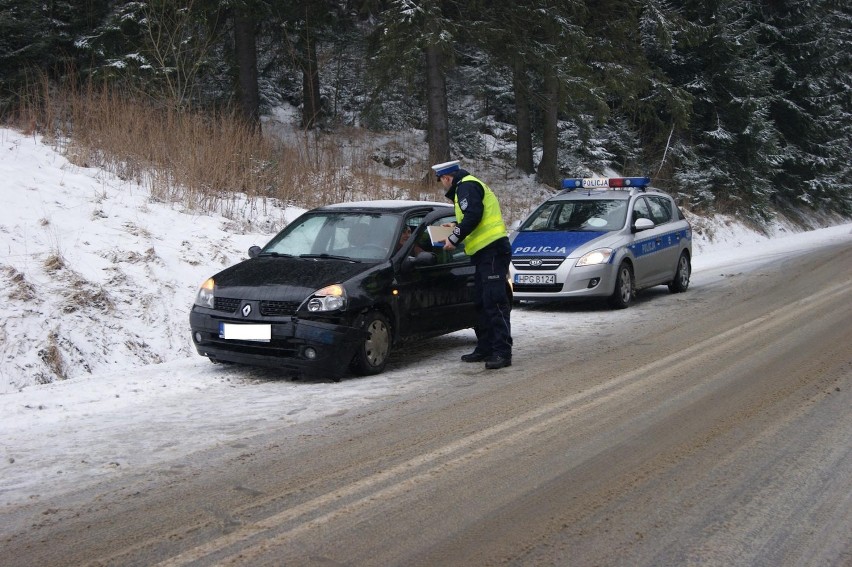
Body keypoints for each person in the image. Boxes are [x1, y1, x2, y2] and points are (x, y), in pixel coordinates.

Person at [432, 160, 513, 370]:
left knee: (495, 302)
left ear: (447, 178)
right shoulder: (465, 187)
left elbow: (474, 215)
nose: (443, 186)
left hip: (493, 251)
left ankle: (502, 351)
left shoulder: (466, 186)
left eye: (441, 181)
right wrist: (455, 226)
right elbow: (474, 216)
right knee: (481, 301)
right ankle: (486, 347)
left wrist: (453, 238)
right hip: (483, 253)